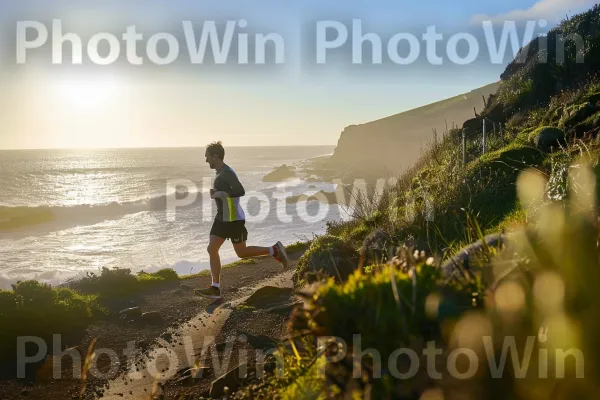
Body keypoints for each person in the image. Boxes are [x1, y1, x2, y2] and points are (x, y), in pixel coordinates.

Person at [194, 141, 290, 300]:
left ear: (215, 156)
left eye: (208, 157)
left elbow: (240, 191)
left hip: (233, 219)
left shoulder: (227, 173)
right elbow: (226, 191)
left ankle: (274, 250)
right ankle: (215, 288)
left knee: (241, 253)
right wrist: (218, 193)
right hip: (221, 218)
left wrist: (218, 194)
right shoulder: (220, 172)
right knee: (212, 249)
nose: (206, 160)